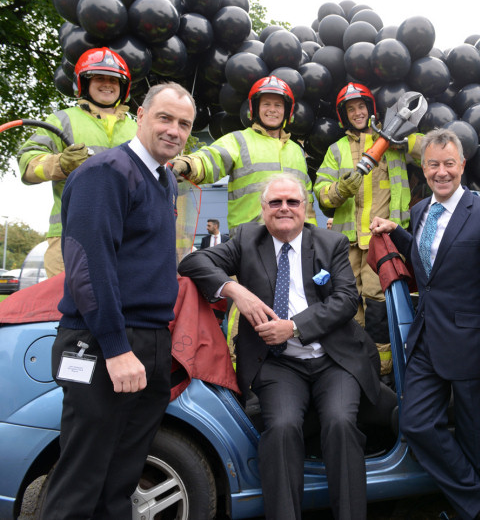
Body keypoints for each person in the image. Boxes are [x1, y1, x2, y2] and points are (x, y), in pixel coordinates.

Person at [178, 174, 380, 520]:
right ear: (263, 209)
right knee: (282, 428)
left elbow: (347, 299)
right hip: (278, 363)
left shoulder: (330, 242)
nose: (284, 209)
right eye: (275, 203)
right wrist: (235, 290)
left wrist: (294, 327)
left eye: (292, 202)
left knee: (340, 423)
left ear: (305, 208)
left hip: (334, 359)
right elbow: (192, 263)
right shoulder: (246, 239)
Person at [41, 82, 195, 519]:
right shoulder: (108, 170)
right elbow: (89, 265)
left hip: (148, 341)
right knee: (82, 479)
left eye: (184, 124)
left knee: (120, 481)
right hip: (104, 342)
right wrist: (115, 347)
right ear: (140, 116)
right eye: (164, 118)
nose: (174, 131)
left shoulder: (162, 179)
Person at [370, 128, 480, 520]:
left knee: (475, 437)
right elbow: (430, 257)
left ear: (462, 165)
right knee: (416, 424)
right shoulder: (420, 212)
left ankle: (476, 508)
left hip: (474, 346)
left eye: (449, 164)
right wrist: (396, 233)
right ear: (425, 166)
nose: (441, 172)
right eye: (433, 164)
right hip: (427, 340)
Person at [314, 82, 422, 350]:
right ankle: (352, 364)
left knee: (380, 307)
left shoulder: (393, 143)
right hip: (347, 245)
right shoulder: (336, 150)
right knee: (347, 305)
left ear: (371, 109)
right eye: (351, 109)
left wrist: (401, 136)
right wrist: (340, 190)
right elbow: (321, 194)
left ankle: (383, 372)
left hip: (383, 241)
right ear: (344, 115)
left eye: (361, 106)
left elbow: (430, 151)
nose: (357, 113)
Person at [17, 47, 136, 277]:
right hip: (69, 233)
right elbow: (27, 163)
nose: (107, 84)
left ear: (123, 86)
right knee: (65, 306)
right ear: (83, 83)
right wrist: (61, 163)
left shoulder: (137, 128)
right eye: (98, 77)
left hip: (125, 235)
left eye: (113, 79)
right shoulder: (63, 120)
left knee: (121, 307)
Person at [169, 75, 316, 230]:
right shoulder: (238, 141)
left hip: (293, 240)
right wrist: (189, 164)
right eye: (266, 104)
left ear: (287, 111)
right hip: (249, 241)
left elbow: (306, 200)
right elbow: (211, 158)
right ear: (254, 108)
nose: (272, 110)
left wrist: (310, 238)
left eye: (278, 105)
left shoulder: (297, 151)